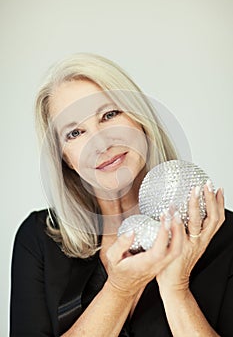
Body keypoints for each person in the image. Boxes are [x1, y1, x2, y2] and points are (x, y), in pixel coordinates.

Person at [10, 53, 232, 337]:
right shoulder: (40, 238)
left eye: (110, 115)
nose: (101, 143)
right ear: (64, 158)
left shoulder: (222, 234)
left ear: (141, 120)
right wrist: (120, 289)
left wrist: (176, 290)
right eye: (75, 133)